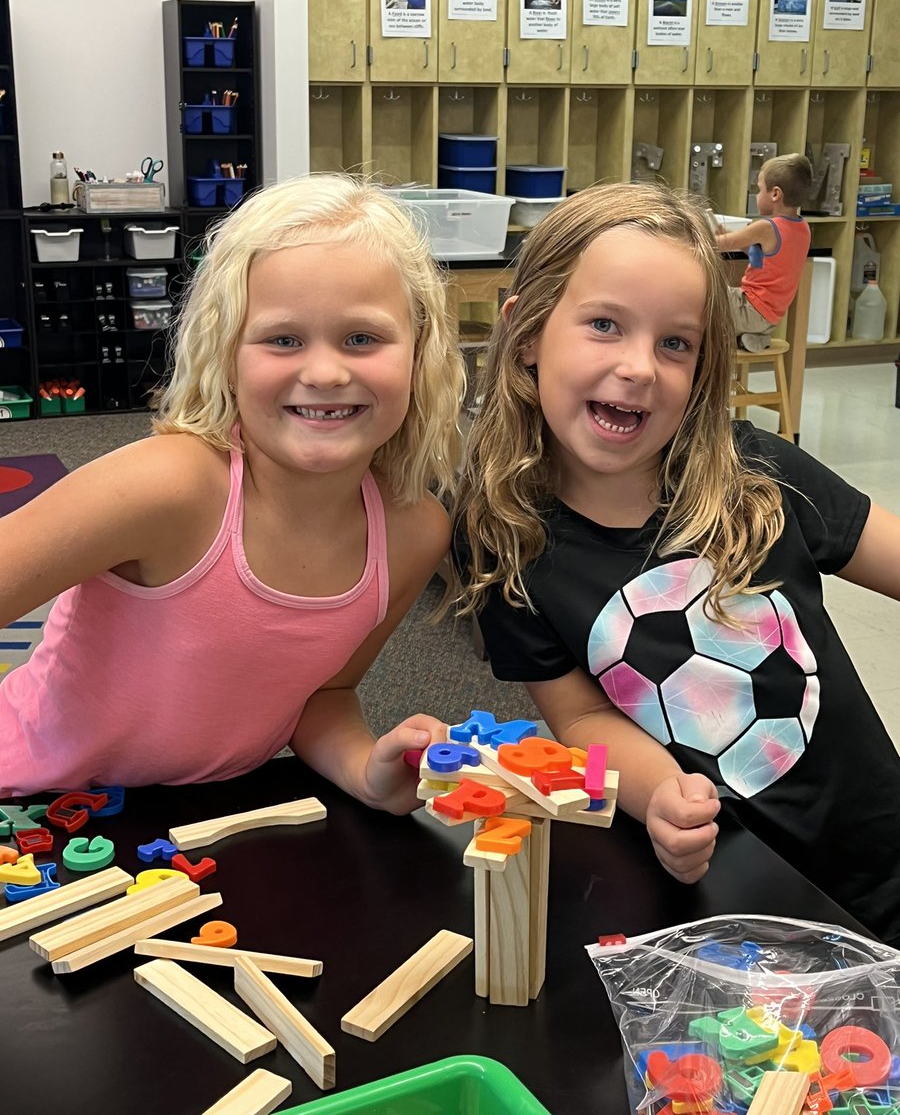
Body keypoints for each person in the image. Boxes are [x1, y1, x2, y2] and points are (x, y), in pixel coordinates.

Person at [452, 180, 900, 945]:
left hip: (877, 851)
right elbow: (580, 714)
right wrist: (660, 795)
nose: (639, 367)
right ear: (525, 334)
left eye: (675, 343)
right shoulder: (503, 533)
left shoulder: (757, 471)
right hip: (722, 887)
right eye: (603, 325)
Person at [0, 173, 465, 813]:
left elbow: (322, 697)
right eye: (283, 339)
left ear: (422, 353)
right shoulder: (169, 487)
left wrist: (366, 769)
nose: (325, 372)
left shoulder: (415, 531)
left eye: (362, 338)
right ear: (227, 354)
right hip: (29, 803)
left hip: (204, 819)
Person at [715, 152, 813, 352]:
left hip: (749, 309)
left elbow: (719, 245)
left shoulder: (767, 227)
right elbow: (760, 257)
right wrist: (728, 236)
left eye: (759, 190)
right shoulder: (803, 227)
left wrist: (692, 235)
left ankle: (709, 353)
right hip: (770, 317)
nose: (756, 196)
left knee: (702, 293)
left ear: (775, 194)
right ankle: (755, 338)